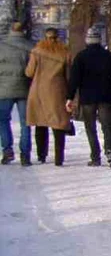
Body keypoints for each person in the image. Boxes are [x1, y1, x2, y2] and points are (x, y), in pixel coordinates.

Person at [66, 27, 111, 166]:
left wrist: (70, 97)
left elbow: (74, 79)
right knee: (107, 126)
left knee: (90, 127)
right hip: (106, 96)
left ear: (87, 40)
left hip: (87, 98)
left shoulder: (81, 57)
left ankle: (95, 156)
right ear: (99, 40)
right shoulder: (108, 56)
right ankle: (110, 151)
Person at [25, 28, 72, 166]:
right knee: (58, 124)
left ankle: (41, 155)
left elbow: (29, 72)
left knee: (41, 123)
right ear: (58, 37)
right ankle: (59, 158)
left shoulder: (37, 51)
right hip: (58, 91)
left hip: (39, 90)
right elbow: (69, 75)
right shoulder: (64, 53)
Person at [0, 22, 34, 165]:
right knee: (25, 122)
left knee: (3, 120)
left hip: (4, 90)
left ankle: (7, 151)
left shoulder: (2, 47)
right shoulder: (31, 47)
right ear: (23, 31)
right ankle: (25, 155)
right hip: (25, 89)